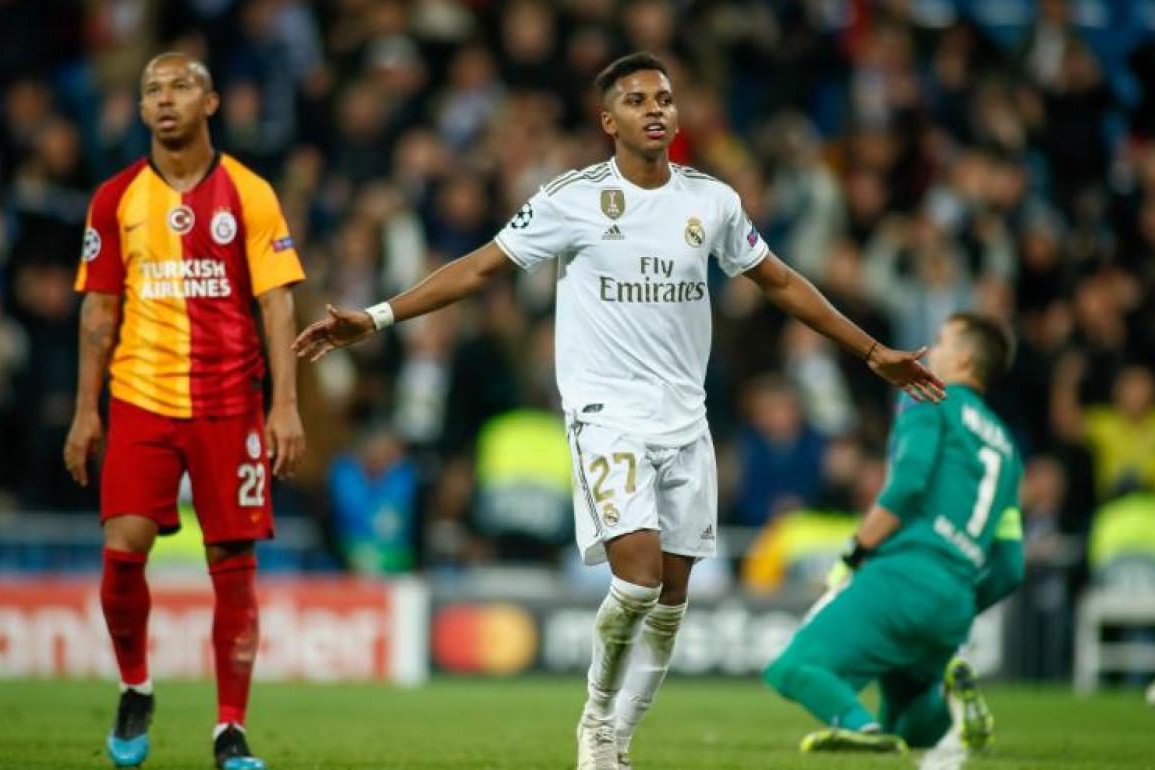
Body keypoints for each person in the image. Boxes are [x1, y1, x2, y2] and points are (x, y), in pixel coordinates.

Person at [293, 52, 943, 770]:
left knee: (671, 598)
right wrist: (378, 316)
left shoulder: (712, 202)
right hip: (607, 412)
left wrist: (872, 350)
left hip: (684, 418)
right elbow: (479, 267)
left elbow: (781, 282)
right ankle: (596, 722)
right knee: (634, 578)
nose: (656, 109)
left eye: (664, 97)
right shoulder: (571, 199)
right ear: (609, 121)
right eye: (636, 100)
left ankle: (620, 741)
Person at [63, 52, 306, 770]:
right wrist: (85, 411)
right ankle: (135, 686)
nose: (165, 99)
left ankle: (229, 729)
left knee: (232, 564)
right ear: (140, 112)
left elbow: (277, 303)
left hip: (230, 406)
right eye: (152, 90)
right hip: (140, 400)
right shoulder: (113, 200)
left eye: (181, 86)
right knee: (122, 552)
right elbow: (98, 313)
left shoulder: (249, 194)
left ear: (212, 102)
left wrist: (284, 407)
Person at [764, 312, 1026, 757]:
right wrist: (958, 600)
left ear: (963, 359)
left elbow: (907, 484)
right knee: (906, 723)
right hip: (955, 601)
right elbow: (1010, 566)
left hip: (903, 575)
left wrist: (856, 551)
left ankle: (861, 732)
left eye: (942, 340)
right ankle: (946, 702)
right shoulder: (1006, 447)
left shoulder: (928, 398)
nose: (932, 348)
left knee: (794, 667)